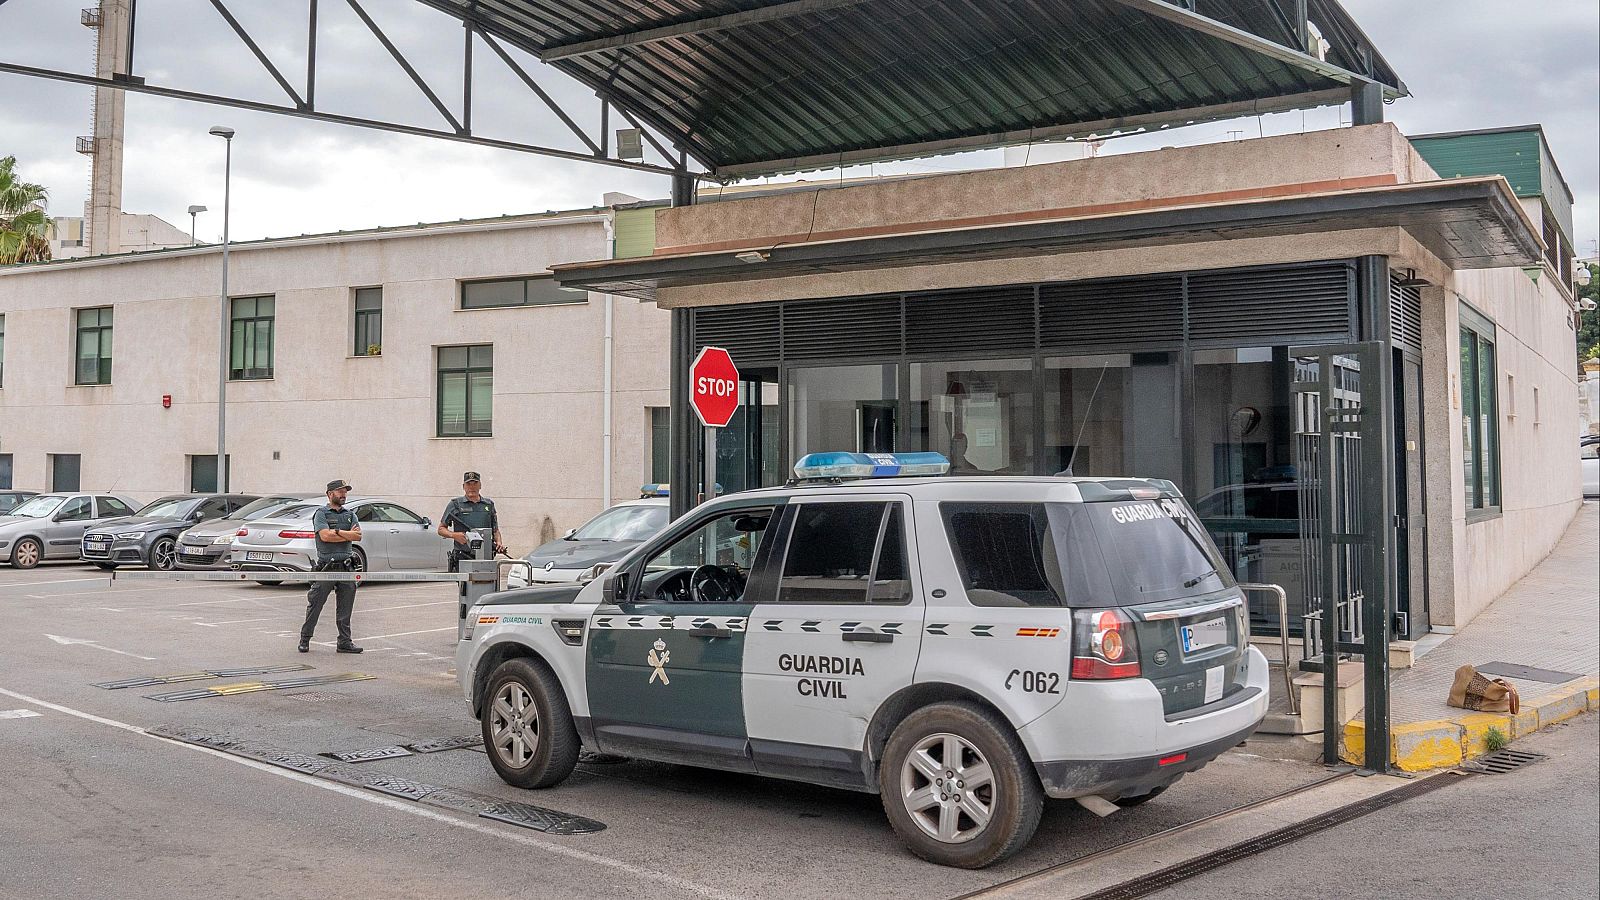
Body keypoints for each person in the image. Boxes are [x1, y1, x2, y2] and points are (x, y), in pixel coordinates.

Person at [299, 479, 363, 654]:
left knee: (345, 608)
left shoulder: (350, 515)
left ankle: (344, 642)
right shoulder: (321, 514)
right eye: (340, 491)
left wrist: (338, 532)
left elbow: (358, 537)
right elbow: (325, 537)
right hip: (326, 567)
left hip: (346, 567)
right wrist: (346, 534)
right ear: (330, 494)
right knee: (315, 605)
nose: (343, 495)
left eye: (345, 492)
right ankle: (305, 639)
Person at [438, 471, 505, 572]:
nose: (472, 487)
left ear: (480, 485)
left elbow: (495, 531)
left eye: (475, 484)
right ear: (463, 486)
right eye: (468, 484)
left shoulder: (488, 504)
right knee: (466, 587)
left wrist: (499, 542)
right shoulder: (455, 504)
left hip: (485, 556)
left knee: (487, 586)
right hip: (463, 556)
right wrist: (454, 535)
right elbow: (441, 529)